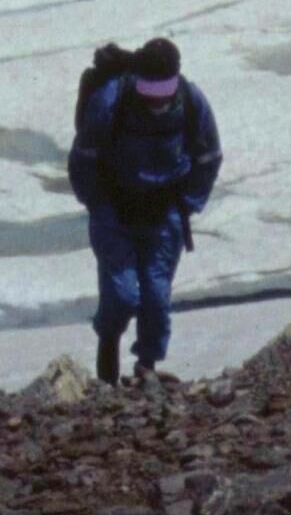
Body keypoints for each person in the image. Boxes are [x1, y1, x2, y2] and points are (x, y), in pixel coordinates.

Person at [66, 34, 221, 386]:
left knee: (156, 297)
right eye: (150, 94)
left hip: (165, 214)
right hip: (114, 212)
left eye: (163, 94)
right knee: (121, 295)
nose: (157, 102)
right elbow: (83, 160)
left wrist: (188, 204)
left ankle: (146, 368)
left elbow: (209, 157)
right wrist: (97, 205)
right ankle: (108, 357)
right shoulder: (110, 102)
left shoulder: (192, 101)